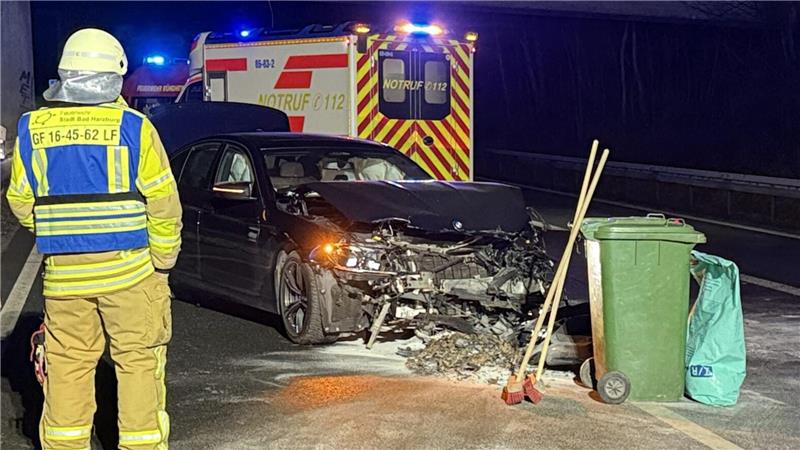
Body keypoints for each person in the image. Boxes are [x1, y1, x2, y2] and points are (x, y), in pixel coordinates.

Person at [6, 28, 181, 450]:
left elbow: (19, 200)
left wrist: (63, 231)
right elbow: (163, 201)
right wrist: (162, 259)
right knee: (138, 364)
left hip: (65, 281)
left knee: (67, 368)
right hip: (132, 274)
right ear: (115, 76)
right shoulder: (134, 128)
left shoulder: (32, 128)